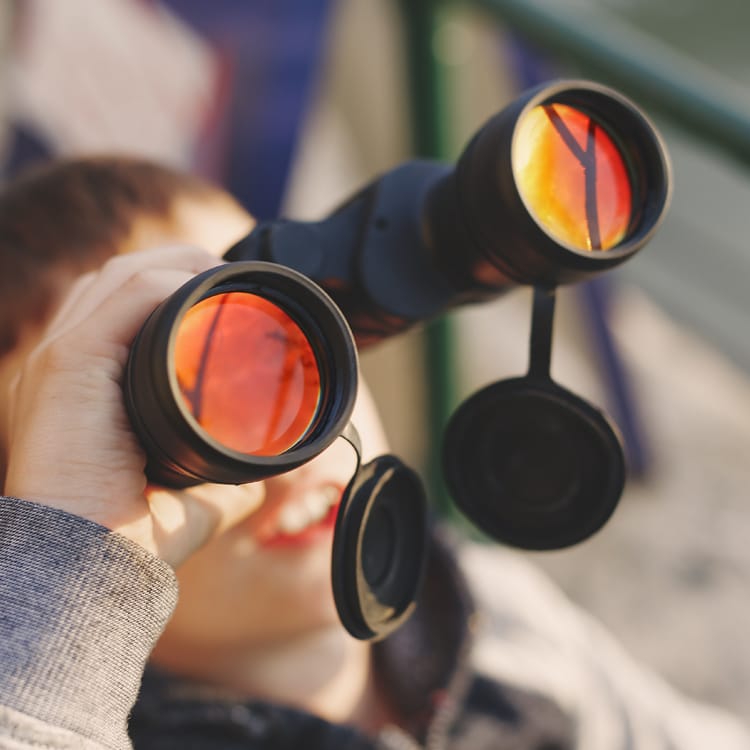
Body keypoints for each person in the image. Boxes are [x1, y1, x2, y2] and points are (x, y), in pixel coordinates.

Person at [0, 157, 748, 750]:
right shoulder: (69, 722)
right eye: (190, 411)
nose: (289, 451)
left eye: (280, 345)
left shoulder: (483, 610)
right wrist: (67, 595)